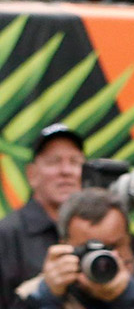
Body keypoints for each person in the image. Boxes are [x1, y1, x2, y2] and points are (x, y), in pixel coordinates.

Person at [14, 188, 134, 309]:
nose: (103, 261)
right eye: (88, 249)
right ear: (64, 247)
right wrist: (47, 297)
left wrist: (133, 294)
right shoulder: (33, 293)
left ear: (129, 241)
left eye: (112, 247)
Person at [0, 125, 83, 309]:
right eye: (54, 162)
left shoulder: (98, 228)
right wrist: (44, 292)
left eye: (75, 161)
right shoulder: (6, 234)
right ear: (32, 174)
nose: (66, 171)